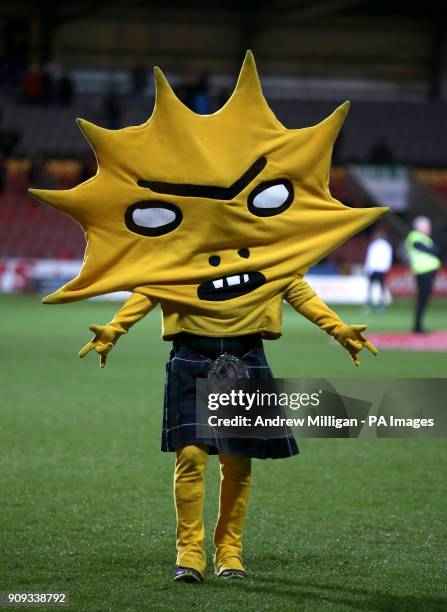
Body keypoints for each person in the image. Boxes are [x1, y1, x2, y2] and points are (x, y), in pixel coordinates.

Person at [29, 52, 387, 584]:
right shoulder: (179, 254)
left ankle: (231, 553)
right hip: (192, 356)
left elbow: (296, 289)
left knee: (237, 462)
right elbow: (151, 288)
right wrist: (115, 328)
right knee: (192, 456)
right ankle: (189, 553)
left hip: (246, 357)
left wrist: (338, 329)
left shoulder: (267, 256)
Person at [405, 216, 441, 333]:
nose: (429, 228)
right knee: (422, 299)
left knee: (424, 299)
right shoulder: (415, 236)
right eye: (427, 226)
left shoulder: (424, 237)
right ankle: (417, 326)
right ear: (421, 227)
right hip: (423, 271)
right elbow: (431, 250)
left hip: (426, 271)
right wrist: (434, 250)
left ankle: (418, 325)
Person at [364, 229, 393, 311]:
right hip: (381, 269)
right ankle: (380, 305)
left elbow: (369, 257)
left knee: (372, 287)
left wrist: (367, 268)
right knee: (380, 287)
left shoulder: (374, 244)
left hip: (375, 268)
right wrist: (386, 267)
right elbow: (388, 258)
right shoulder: (386, 245)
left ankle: (370, 305)